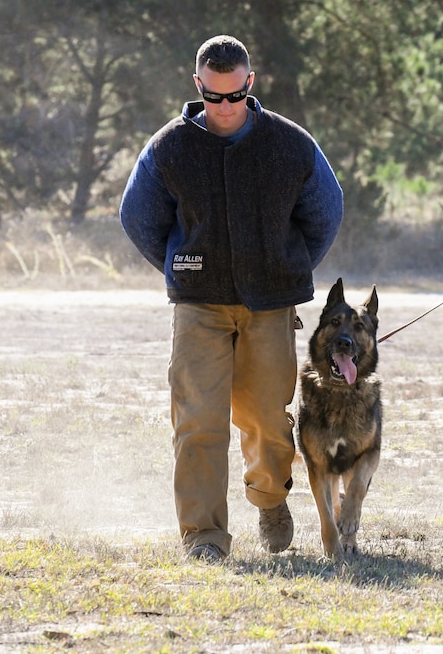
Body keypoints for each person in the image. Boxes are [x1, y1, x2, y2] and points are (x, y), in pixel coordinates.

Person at [120, 34, 343, 562]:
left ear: (250, 83)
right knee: (198, 420)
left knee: (267, 417)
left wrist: (285, 269)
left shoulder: (290, 144)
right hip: (199, 304)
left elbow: (325, 214)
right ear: (198, 86)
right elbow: (139, 219)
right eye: (214, 97)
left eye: (234, 96)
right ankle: (204, 536)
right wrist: (184, 265)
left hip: (269, 305)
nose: (224, 108)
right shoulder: (168, 146)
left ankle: (269, 499)